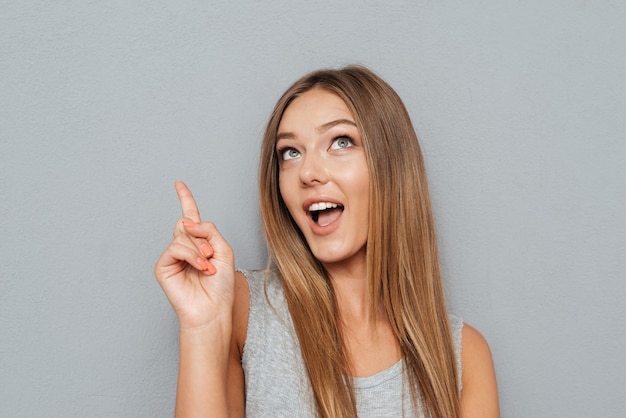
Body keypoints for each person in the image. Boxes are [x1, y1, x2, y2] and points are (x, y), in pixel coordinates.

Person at [154, 66, 499, 417]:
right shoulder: (244, 309)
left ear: (391, 167)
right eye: (290, 152)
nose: (307, 173)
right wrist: (201, 327)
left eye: (340, 142)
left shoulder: (462, 355)